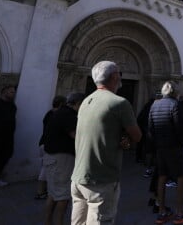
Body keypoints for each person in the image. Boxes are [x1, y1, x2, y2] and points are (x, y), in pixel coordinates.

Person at [71, 61, 142, 225]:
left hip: (78, 177)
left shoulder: (85, 101)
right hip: (101, 180)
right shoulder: (120, 103)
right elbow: (137, 136)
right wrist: (127, 138)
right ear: (115, 77)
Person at [149, 81, 183, 224]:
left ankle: (162, 211)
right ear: (174, 92)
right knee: (181, 177)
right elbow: (179, 127)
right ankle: (180, 213)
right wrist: (182, 143)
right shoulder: (175, 105)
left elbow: (150, 128)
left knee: (162, 176)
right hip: (174, 147)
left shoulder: (154, 105)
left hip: (160, 147)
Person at [43, 92, 85, 225]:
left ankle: (48, 221)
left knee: (53, 193)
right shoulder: (68, 115)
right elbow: (76, 135)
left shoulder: (60, 112)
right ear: (77, 103)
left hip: (53, 156)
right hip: (61, 158)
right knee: (63, 195)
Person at [36, 95, 67, 200]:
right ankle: (41, 191)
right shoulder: (55, 114)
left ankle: (43, 190)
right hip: (48, 144)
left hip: (44, 142)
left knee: (45, 167)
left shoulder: (50, 113)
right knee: (45, 168)